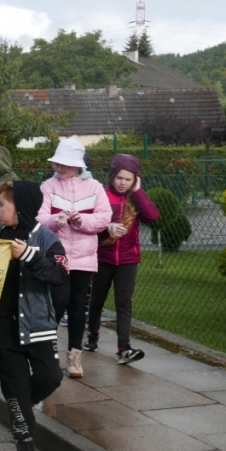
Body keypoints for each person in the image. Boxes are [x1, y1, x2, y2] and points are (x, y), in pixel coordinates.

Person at [0, 180, 68, 451]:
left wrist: (28, 256)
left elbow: (59, 276)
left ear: (19, 208)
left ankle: (21, 407)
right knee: (14, 384)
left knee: (51, 377)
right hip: (1, 328)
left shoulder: (46, 239)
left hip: (37, 325)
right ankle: (24, 441)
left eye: (3, 205)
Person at [37, 138, 111, 379]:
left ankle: (74, 357)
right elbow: (40, 217)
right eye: (58, 164)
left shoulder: (95, 188)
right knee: (55, 306)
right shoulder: (48, 186)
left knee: (78, 308)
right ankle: (48, 355)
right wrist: (54, 221)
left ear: (77, 166)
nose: (60, 169)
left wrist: (81, 221)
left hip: (83, 259)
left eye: (65, 165)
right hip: (57, 257)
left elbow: (103, 219)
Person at [86, 154, 159, 364]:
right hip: (103, 257)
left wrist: (138, 192)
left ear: (135, 180)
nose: (122, 183)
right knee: (97, 300)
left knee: (124, 302)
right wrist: (106, 228)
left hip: (128, 259)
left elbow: (152, 216)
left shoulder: (136, 199)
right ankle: (92, 337)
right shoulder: (102, 196)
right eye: (119, 178)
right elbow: (91, 223)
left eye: (128, 179)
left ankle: (124, 348)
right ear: (112, 176)